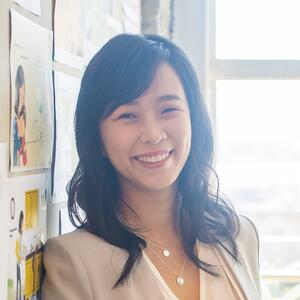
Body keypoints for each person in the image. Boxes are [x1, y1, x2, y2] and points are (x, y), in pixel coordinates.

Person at [41, 34, 262, 300]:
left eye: (168, 109)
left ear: (194, 120)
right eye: (128, 115)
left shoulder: (238, 236)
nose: (154, 135)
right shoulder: (73, 260)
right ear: (96, 138)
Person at [13, 65, 27, 167]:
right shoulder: (17, 107)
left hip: (20, 143)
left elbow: (21, 133)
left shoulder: (22, 110)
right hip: (18, 144)